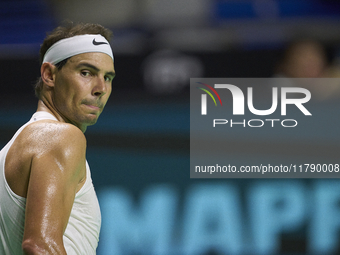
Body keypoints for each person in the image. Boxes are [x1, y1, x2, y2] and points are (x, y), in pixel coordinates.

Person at [0, 22, 115, 254]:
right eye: (86, 73)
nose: (101, 88)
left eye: (108, 77)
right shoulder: (62, 137)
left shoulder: (13, 147)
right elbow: (40, 245)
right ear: (49, 75)